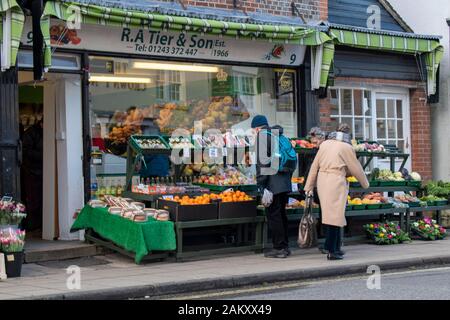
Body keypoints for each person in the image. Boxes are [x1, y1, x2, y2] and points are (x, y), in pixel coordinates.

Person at [304, 123, 369, 260]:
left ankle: (332, 247)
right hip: (336, 182)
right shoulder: (346, 147)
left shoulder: (325, 145)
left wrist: (308, 187)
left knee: (328, 216)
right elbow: (356, 168)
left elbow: (314, 166)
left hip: (322, 181)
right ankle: (332, 251)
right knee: (335, 217)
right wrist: (365, 184)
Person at [252, 115, 294, 259]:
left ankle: (279, 248)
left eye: (253, 130)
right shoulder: (277, 134)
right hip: (284, 182)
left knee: (274, 216)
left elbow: (262, 164)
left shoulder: (262, 136)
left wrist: (261, 184)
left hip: (272, 184)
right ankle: (285, 246)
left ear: (257, 128)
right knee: (281, 214)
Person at [21, 119, 44, 232]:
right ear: (42, 123)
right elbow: (25, 152)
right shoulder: (31, 133)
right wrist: (43, 155)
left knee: (40, 200)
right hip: (32, 171)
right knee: (33, 200)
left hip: (41, 171)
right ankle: (33, 225)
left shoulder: (39, 132)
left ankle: (39, 225)